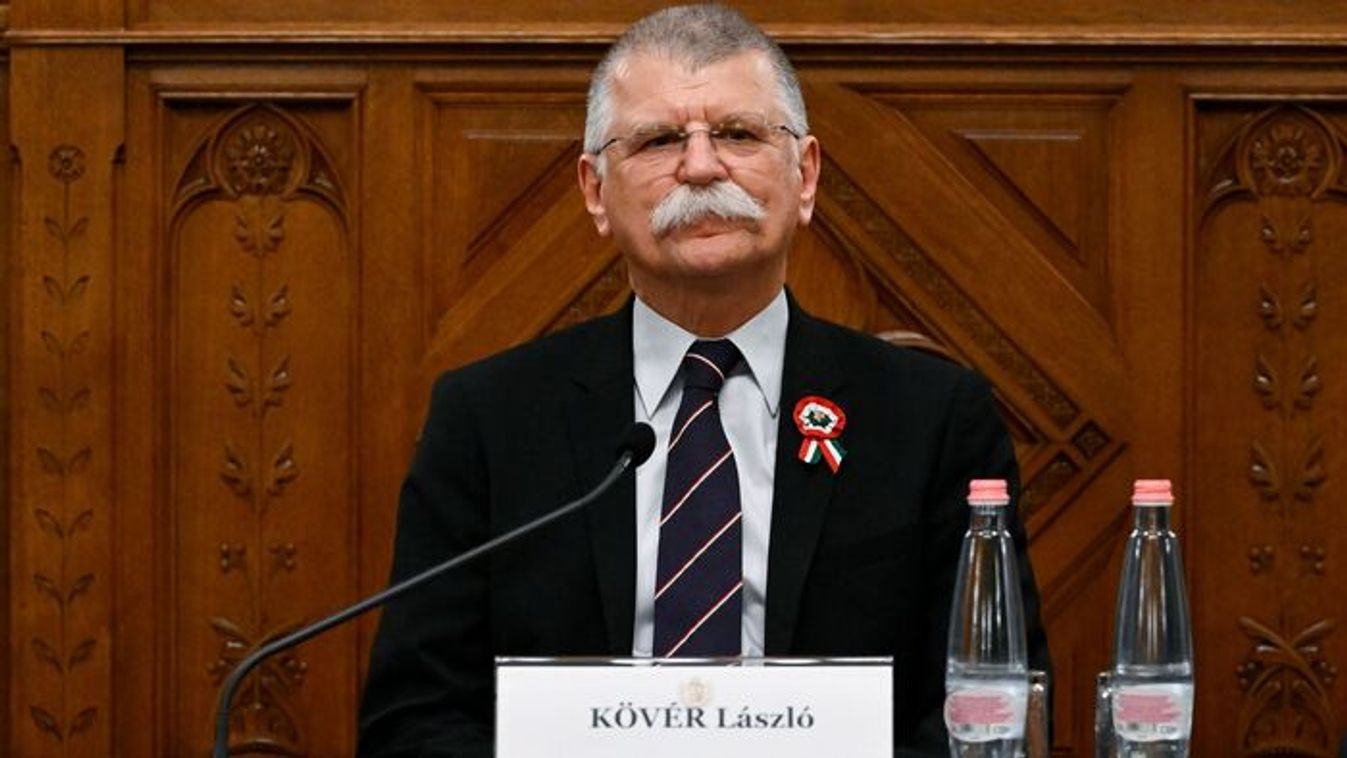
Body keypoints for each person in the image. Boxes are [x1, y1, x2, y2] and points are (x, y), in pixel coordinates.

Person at [358, 4, 1049, 756]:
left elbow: (988, 705)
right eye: (659, 140)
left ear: (805, 175)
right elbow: (414, 718)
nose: (700, 166)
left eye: (738, 134)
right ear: (594, 190)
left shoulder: (931, 419)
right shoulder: (489, 420)